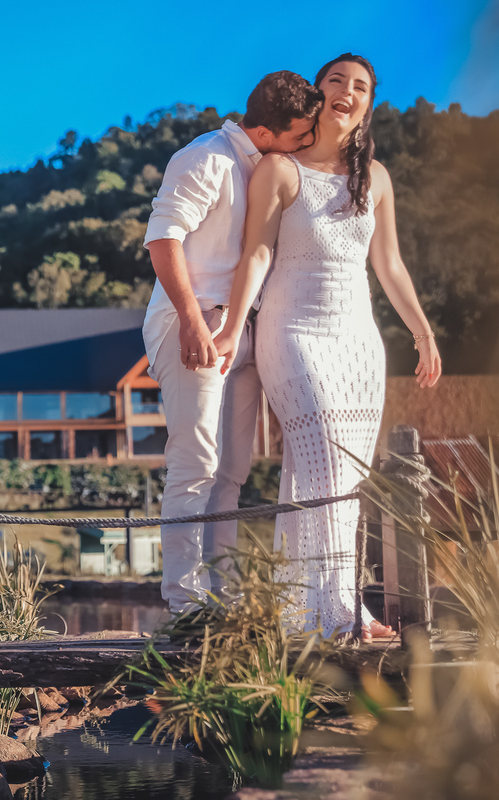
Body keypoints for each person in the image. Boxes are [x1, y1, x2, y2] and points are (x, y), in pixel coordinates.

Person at [213, 53, 442, 640]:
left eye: (360, 86)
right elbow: (257, 255)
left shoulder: (378, 177)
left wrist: (422, 330)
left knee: (349, 478)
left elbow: (388, 264)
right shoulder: (280, 170)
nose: (347, 90)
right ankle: (329, 617)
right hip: (294, 336)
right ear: (318, 96)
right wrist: (232, 325)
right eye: (335, 80)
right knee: (321, 465)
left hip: (358, 342)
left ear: (368, 104)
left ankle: (326, 612)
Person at [143, 72, 322, 614]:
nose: (307, 141)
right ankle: (183, 604)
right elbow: (162, 239)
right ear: (268, 132)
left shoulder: (271, 167)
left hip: (246, 330)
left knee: (232, 471)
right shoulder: (206, 157)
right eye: (301, 134)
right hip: (194, 324)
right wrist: (194, 321)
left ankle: (222, 599)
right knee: (194, 460)